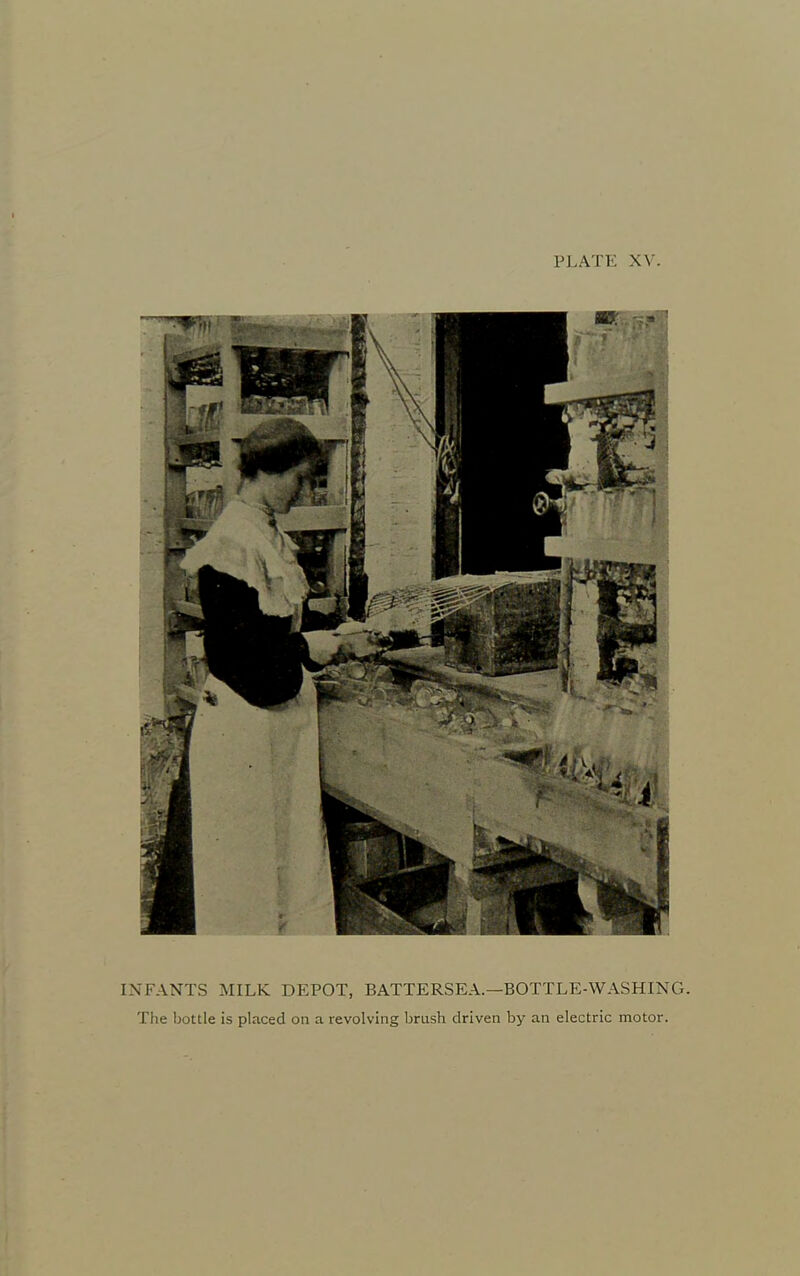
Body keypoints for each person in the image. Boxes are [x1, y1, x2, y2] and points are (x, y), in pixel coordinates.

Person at [149, 417, 377, 935]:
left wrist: (339, 631)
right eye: (300, 478)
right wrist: (304, 647)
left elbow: (277, 617)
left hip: (276, 725)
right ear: (267, 473)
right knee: (241, 877)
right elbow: (234, 654)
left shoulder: (265, 532)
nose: (306, 490)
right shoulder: (231, 542)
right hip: (241, 727)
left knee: (286, 862)